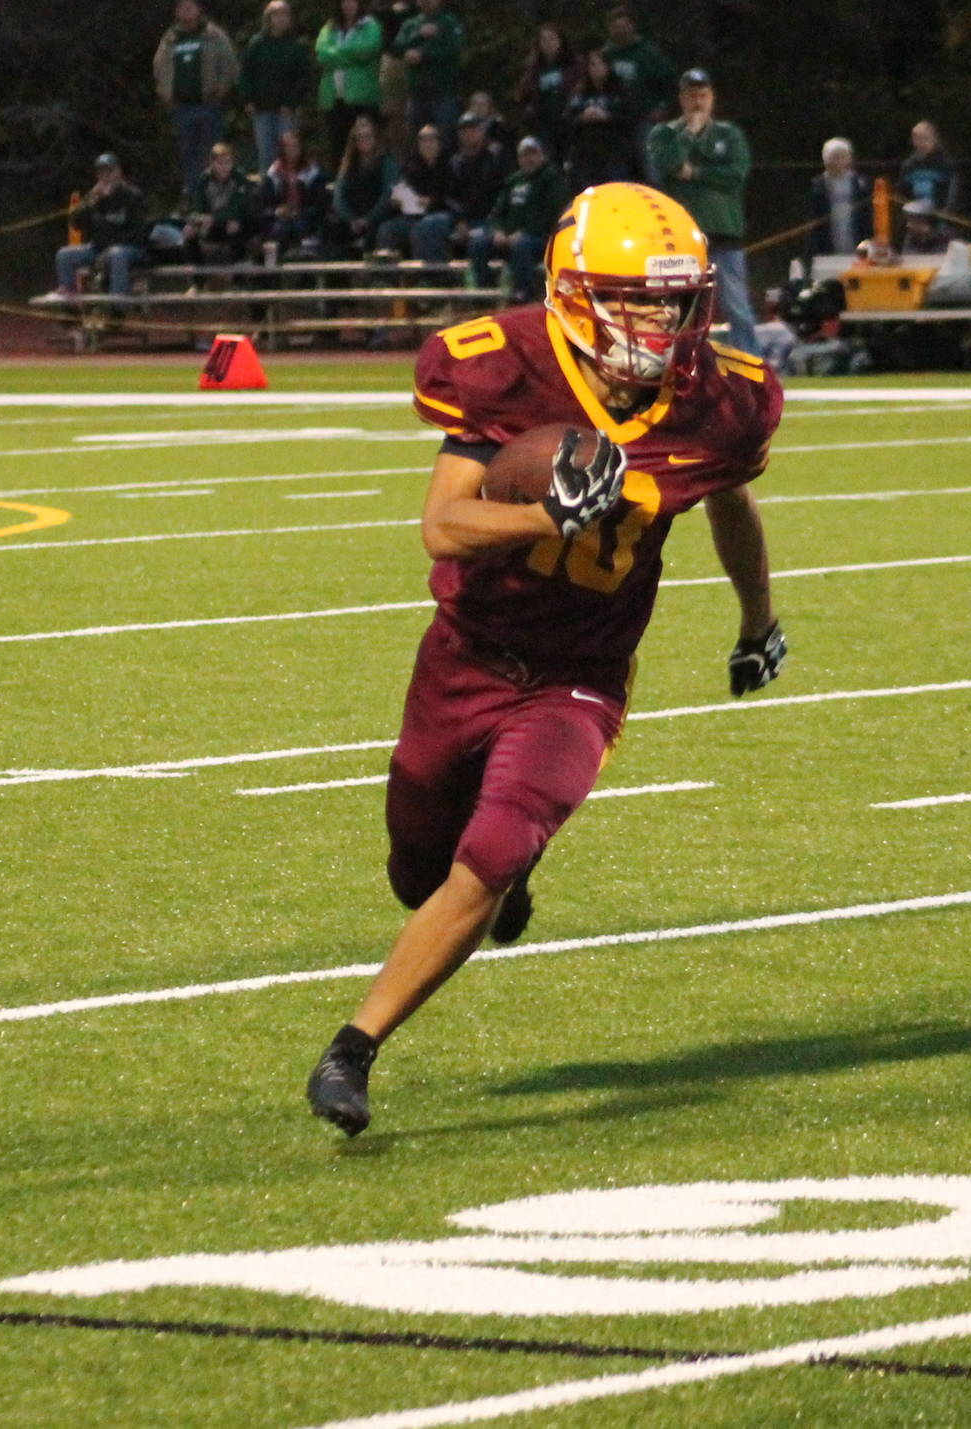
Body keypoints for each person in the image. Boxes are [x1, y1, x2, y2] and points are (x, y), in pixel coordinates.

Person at [304, 181, 788, 1137]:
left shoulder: (718, 402)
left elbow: (731, 500)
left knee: (489, 856)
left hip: (583, 677)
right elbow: (443, 526)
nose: (663, 319)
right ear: (576, 292)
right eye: (638, 297)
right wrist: (548, 512)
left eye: (676, 298)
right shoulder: (503, 364)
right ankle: (488, 886)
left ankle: (353, 1047)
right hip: (469, 655)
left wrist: (757, 620)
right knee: (419, 867)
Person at [646, 69, 756, 353]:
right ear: (682, 99)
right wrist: (689, 134)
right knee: (680, 309)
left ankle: (751, 364)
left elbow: (736, 174)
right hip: (682, 236)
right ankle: (681, 364)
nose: (698, 102)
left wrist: (693, 172)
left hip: (724, 232)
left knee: (737, 308)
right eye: (692, 96)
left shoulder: (729, 135)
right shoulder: (664, 133)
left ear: (712, 98)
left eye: (703, 95)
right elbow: (667, 165)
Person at [154, 0, 239, 202]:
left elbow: (230, 65)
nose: (187, 10)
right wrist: (165, 92)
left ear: (199, 9)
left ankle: (216, 197)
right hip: (182, 107)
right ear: (176, 12)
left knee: (212, 152)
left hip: (208, 104)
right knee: (187, 153)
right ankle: (193, 197)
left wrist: (220, 89)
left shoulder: (213, 35)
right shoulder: (170, 38)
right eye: (182, 7)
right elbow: (160, 67)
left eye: (190, 6)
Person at [468, 136, 565, 300]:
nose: (529, 159)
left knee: (522, 245)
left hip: (541, 239)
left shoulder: (551, 179)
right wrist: (498, 231)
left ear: (542, 156)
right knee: (478, 244)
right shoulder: (514, 181)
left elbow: (554, 214)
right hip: (509, 238)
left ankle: (522, 295)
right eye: (524, 155)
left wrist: (525, 232)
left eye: (533, 154)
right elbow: (497, 213)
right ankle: (483, 294)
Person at [56, 154, 149, 296]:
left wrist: (110, 247)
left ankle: (118, 304)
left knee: (117, 254)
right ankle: (70, 301)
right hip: (98, 249)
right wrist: (93, 202)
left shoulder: (132, 195)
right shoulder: (94, 196)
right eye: (101, 173)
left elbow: (139, 232)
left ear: (118, 172)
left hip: (129, 249)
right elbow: (75, 223)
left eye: (109, 171)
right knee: (64, 255)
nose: (105, 177)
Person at [237, 0, 311, 177]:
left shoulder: (296, 45)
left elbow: (303, 78)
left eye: (285, 14)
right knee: (266, 154)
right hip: (262, 109)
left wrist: (292, 103)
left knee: (289, 153)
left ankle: (290, 193)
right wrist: (247, 99)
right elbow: (246, 73)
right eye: (276, 15)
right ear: (268, 18)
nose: (281, 19)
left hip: (287, 110)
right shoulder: (257, 44)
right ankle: (268, 195)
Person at [316, 0, 384, 167]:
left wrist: (337, 55)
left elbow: (368, 50)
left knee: (366, 147)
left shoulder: (370, 25)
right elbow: (322, 53)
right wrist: (351, 55)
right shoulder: (329, 27)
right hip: (335, 98)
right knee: (337, 147)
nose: (348, 5)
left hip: (363, 98)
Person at [376, 124, 456, 263]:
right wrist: (398, 201)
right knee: (387, 229)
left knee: (423, 229)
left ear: (439, 142)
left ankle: (430, 276)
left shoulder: (450, 165)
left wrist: (432, 200)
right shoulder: (411, 167)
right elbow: (402, 190)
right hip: (414, 215)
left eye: (431, 139)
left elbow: (454, 196)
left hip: (442, 213)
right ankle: (386, 277)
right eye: (423, 140)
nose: (427, 144)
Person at [324, 113, 398, 258]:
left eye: (368, 136)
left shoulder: (387, 163)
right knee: (331, 228)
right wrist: (351, 219)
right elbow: (338, 196)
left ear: (376, 137)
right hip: (351, 219)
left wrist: (368, 219)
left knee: (380, 231)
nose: (364, 140)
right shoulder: (348, 164)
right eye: (360, 137)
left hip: (377, 217)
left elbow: (387, 195)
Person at [391, 0, 465, 143]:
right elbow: (397, 47)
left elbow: (454, 49)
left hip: (443, 94)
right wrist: (418, 34)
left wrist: (424, 56)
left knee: (445, 141)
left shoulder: (449, 22)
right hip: (416, 94)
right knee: (415, 141)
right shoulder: (411, 24)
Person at [563, 49, 637, 189]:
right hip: (586, 154)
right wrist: (582, 117)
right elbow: (568, 117)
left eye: (600, 64)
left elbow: (631, 117)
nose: (595, 69)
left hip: (615, 152)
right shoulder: (581, 93)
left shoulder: (621, 90)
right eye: (592, 65)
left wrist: (607, 117)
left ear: (608, 66)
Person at [601, 6, 677, 138]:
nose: (620, 31)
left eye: (624, 26)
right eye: (615, 27)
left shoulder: (648, 54)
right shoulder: (606, 56)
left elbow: (670, 82)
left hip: (644, 119)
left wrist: (662, 107)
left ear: (632, 26)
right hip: (613, 119)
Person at [447, 115, 511, 264]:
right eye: (465, 131)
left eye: (473, 130)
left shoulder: (496, 158)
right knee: (432, 227)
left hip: (490, 220)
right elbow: (450, 197)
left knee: (479, 242)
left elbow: (505, 192)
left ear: (481, 132)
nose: (469, 134)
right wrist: (459, 220)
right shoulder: (454, 163)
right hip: (464, 221)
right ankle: (439, 278)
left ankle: (483, 284)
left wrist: (497, 221)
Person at [181, 141, 254, 265]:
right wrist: (195, 221)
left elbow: (237, 208)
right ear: (212, 163)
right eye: (220, 163)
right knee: (189, 231)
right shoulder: (204, 179)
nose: (224, 166)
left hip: (237, 222)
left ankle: (239, 277)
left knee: (235, 226)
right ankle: (198, 279)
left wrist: (213, 217)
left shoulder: (239, 178)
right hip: (211, 224)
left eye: (228, 162)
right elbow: (197, 208)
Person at [515, 24, 578, 163]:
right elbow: (524, 95)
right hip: (544, 124)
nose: (548, 43)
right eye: (544, 40)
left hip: (568, 123)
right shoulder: (533, 69)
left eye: (552, 39)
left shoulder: (573, 65)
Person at [260, 125, 328, 255]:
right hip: (280, 220)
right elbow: (263, 207)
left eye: (295, 146)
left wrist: (301, 212)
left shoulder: (313, 173)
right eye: (288, 146)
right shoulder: (273, 174)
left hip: (307, 219)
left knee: (302, 228)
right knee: (278, 231)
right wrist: (277, 211)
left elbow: (320, 205)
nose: (292, 150)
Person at [807, 137, 869, 262]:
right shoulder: (817, 184)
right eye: (834, 157)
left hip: (853, 226)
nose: (838, 161)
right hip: (830, 227)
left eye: (843, 156)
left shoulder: (861, 182)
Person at [897, 120, 960, 221]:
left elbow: (952, 192)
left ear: (934, 139)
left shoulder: (945, 164)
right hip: (914, 218)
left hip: (939, 218)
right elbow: (902, 192)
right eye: (916, 138)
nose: (920, 143)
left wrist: (947, 211)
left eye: (924, 138)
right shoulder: (909, 165)